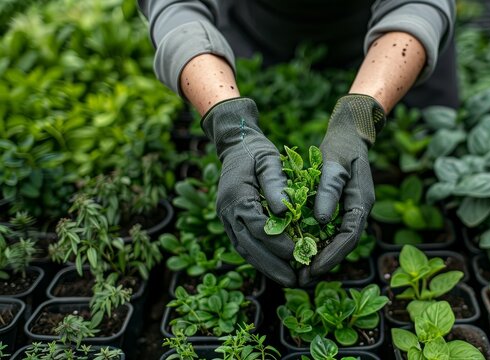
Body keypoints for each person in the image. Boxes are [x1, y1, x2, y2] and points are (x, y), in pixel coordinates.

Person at [138, 0, 457, 287]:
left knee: (422, 153)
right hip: (253, 41)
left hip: (396, 51)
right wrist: (230, 122)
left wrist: (359, 116)